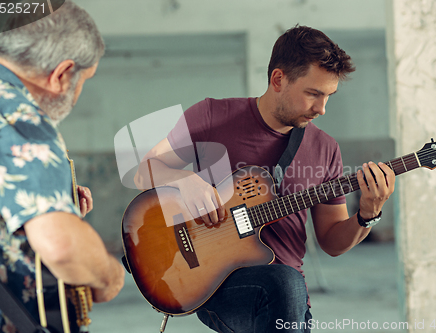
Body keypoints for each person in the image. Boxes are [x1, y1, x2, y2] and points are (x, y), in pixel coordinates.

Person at [134, 25, 395, 333]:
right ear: (278, 79)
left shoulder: (325, 149)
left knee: (286, 284)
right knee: (286, 282)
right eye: (313, 94)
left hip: (289, 301)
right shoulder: (211, 116)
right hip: (218, 285)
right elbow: (144, 170)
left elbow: (332, 242)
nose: (322, 109)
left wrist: (368, 213)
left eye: (329, 96)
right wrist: (184, 179)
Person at [0, 1, 124, 332]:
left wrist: (54, 202)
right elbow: (60, 246)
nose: (76, 95)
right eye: (83, 80)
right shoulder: (20, 116)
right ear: (62, 74)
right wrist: (108, 276)